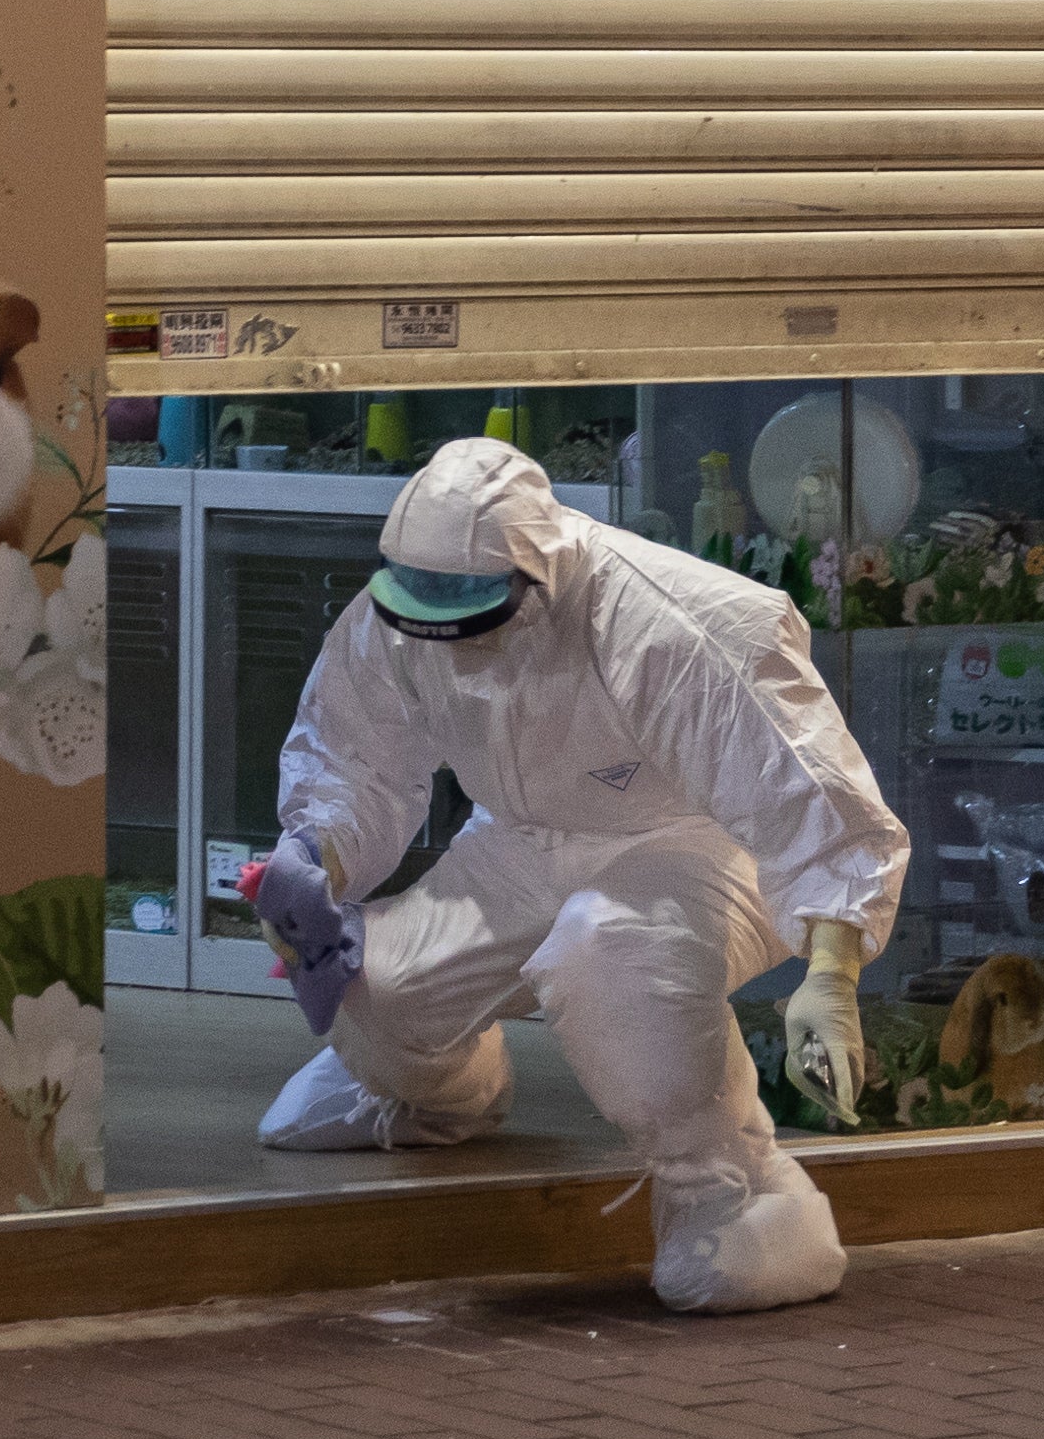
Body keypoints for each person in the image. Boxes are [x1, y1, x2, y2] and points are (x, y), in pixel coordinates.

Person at [246, 438, 903, 1315]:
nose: (446, 630)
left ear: (537, 579)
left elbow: (807, 792)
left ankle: (735, 1183)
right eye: (421, 603)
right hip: (521, 839)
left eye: (470, 608)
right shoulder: (395, 615)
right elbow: (354, 758)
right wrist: (312, 862)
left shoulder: (675, 623)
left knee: (606, 954)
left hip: (695, 841)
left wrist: (832, 967)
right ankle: (438, 1094)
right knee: (371, 979)